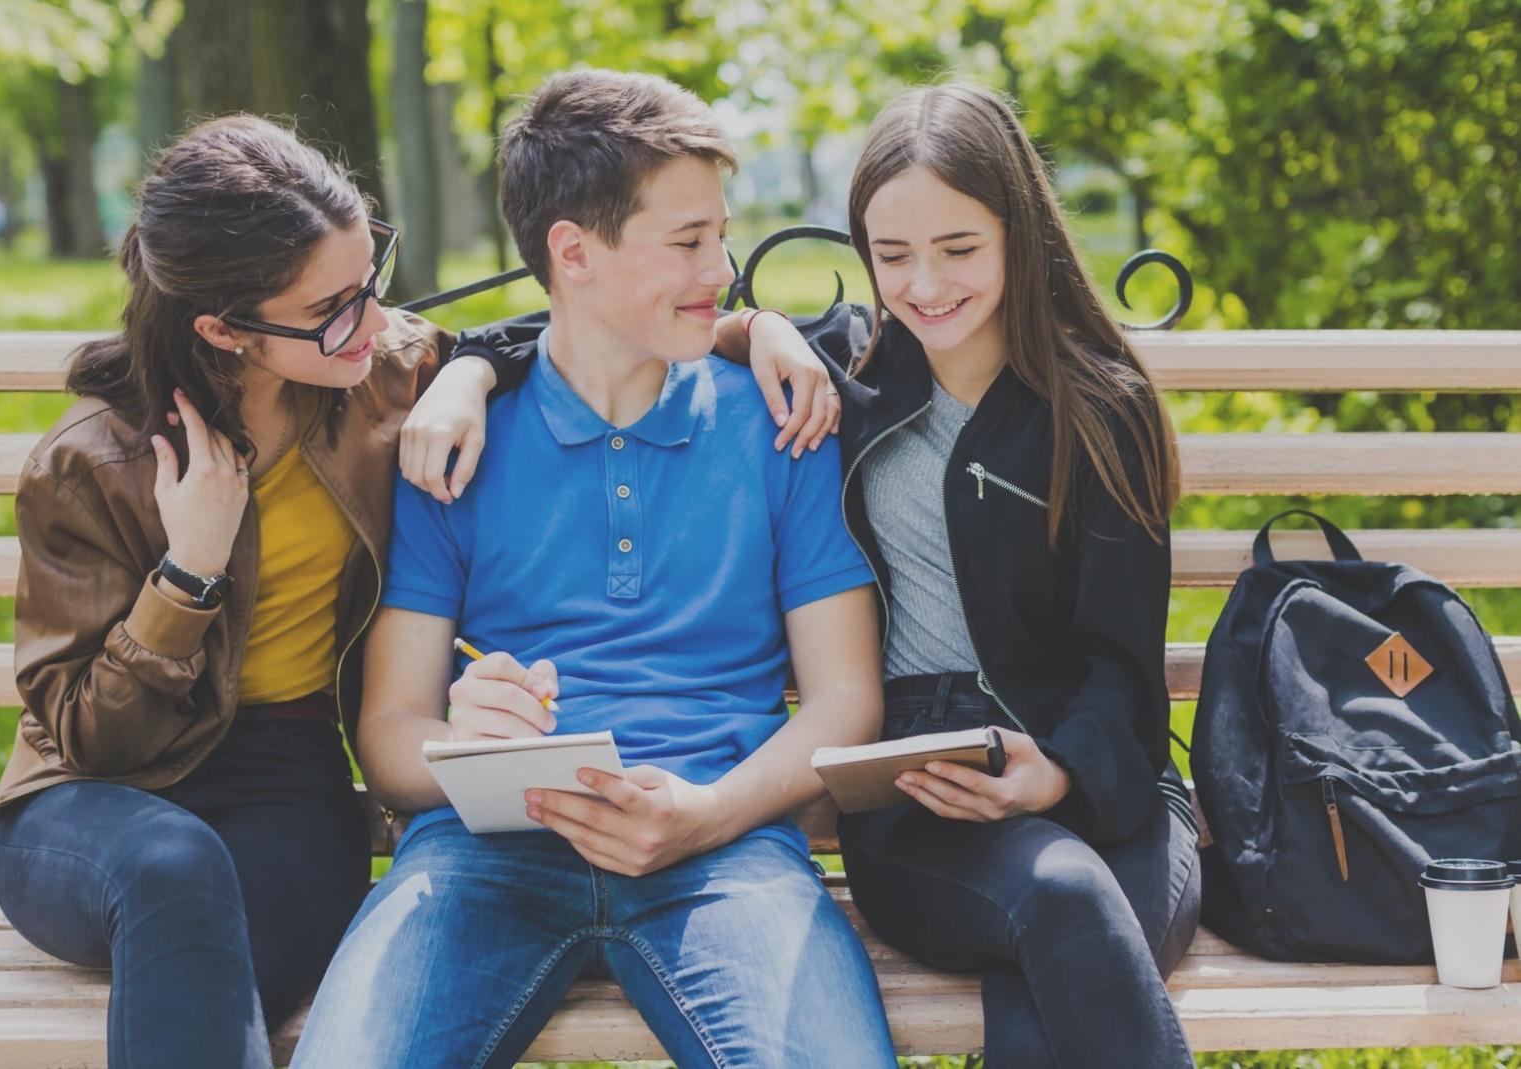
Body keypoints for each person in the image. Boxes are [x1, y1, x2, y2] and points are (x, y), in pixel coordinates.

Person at [449, 81, 1202, 1068]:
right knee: (1058, 907)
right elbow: (597, 324)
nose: (924, 284)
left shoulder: (1100, 412)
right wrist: (469, 369)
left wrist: (1057, 770)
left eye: (959, 249)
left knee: (1054, 954)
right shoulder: (847, 374)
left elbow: (1122, 665)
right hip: (920, 787)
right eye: (891, 255)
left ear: (1020, 233)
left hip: (1097, 773)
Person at [291, 69, 897, 1069]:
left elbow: (844, 699)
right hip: (482, 854)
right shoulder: (455, 445)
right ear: (572, 252)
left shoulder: (779, 426)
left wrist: (707, 816)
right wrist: (463, 746)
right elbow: (392, 733)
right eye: (687, 242)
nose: (722, 269)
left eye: (720, 235)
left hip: (728, 848)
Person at [0, 114, 517, 1069]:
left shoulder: (380, 374)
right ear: (222, 330)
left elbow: (565, 338)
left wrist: (470, 372)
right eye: (333, 307)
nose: (374, 321)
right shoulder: (92, 463)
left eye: (371, 281)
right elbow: (91, 738)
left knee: (201, 980)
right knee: (176, 872)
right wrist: (188, 573)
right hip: (86, 801)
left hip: (287, 777)